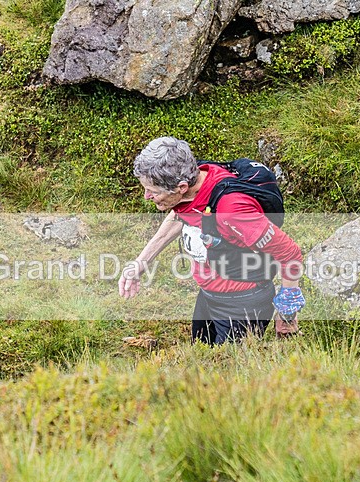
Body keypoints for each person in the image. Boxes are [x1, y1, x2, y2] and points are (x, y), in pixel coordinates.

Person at [119, 137, 306, 345]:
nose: (146, 196)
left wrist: (287, 312)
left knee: (226, 372)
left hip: (242, 304)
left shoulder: (232, 210)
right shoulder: (196, 178)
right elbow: (180, 214)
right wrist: (141, 262)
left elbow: (290, 254)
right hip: (208, 296)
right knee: (200, 356)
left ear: (181, 187)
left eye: (153, 192)